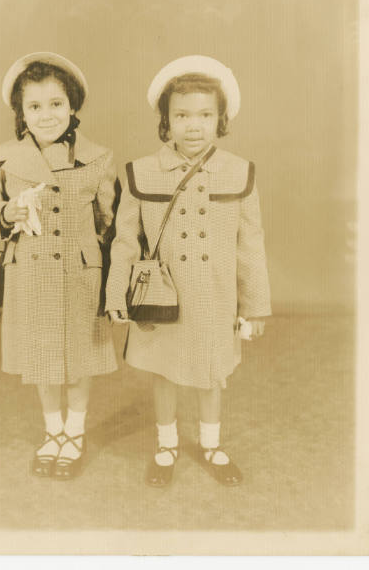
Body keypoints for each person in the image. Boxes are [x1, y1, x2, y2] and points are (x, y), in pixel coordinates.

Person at [106, 55, 271, 487]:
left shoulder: (239, 173)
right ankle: (166, 445)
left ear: (221, 120)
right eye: (181, 115)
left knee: (212, 372)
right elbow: (125, 241)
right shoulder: (141, 172)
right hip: (162, 297)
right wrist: (114, 295)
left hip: (216, 297)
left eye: (204, 115)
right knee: (165, 372)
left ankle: (212, 444)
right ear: (165, 121)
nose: (193, 125)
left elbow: (250, 244)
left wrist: (254, 308)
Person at [0, 52, 119, 479]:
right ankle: (52, 432)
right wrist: (7, 215)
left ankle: (75, 432)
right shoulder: (3, 158)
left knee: (79, 356)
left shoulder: (98, 158)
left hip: (80, 274)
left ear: (73, 106)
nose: (46, 115)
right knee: (41, 357)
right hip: (32, 273)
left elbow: (108, 221)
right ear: (21, 113)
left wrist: (104, 272)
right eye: (34, 106)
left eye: (56, 104)